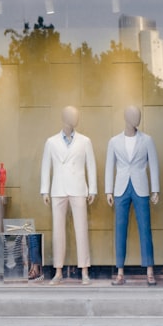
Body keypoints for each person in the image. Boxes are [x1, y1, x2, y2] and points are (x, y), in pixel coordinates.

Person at [40, 105, 97, 285]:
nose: (76, 118)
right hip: (58, 189)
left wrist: (93, 188)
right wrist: (45, 190)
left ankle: (85, 270)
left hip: (79, 188)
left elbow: (91, 166)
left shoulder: (85, 141)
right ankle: (58, 271)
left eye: (77, 115)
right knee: (58, 231)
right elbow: (45, 167)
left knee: (82, 229)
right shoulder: (51, 142)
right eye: (73, 115)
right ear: (64, 118)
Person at [105, 105, 160, 286]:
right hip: (121, 187)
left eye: (139, 115)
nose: (137, 118)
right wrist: (109, 190)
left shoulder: (147, 140)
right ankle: (120, 272)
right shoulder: (114, 141)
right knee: (120, 229)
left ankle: (150, 271)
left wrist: (155, 189)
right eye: (133, 115)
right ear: (125, 117)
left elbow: (153, 164)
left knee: (145, 228)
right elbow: (109, 166)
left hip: (141, 186)